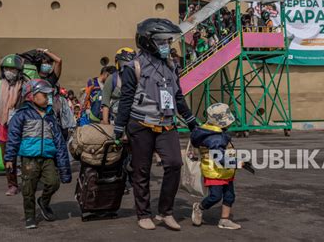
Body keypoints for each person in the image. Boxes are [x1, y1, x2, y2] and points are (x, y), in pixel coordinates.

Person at [113, 18, 197, 230]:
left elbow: (178, 96)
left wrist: (191, 120)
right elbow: (126, 98)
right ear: (148, 41)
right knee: (142, 170)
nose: (167, 45)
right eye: (162, 41)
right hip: (140, 124)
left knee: (174, 164)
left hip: (167, 123)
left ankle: (165, 212)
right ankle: (143, 214)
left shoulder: (172, 65)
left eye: (168, 41)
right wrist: (118, 128)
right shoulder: (134, 67)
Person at [5, 79, 71, 229]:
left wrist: (64, 169)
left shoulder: (50, 116)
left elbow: (59, 142)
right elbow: (13, 137)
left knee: (53, 183)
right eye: (44, 94)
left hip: (47, 158)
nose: (47, 98)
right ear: (31, 96)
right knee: (28, 189)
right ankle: (30, 216)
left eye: (48, 95)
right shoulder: (22, 115)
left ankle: (44, 202)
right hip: (29, 158)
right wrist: (9, 158)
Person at [190, 103, 240, 230]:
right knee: (215, 196)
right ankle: (199, 207)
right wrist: (236, 163)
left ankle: (224, 220)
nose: (230, 124)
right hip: (215, 171)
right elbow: (219, 157)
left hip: (225, 171)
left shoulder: (215, 133)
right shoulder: (215, 138)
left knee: (229, 195)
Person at [0, 54, 26, 196]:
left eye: (12, 69)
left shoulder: (24, 86)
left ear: (19, 70)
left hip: (22, 126)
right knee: (8, 158)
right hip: (3, 126)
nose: (9, 71)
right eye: (6, 68)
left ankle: (28, 181)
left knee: (25, 156)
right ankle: (12, 184)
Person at [101, 48, 136, 125]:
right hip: (115, 121)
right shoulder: (112, 79)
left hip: (134, 122)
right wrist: (106, 124)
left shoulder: (139, 78)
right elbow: (105, 104)